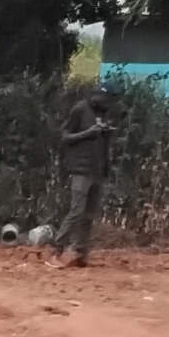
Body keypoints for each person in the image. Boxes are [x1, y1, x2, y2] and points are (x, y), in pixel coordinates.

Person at [52, 91, 113, 267]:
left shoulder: (103, 112)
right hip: (81, 169)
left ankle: (80, 252)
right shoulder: (79, 109)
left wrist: (106, 133)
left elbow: (103, 143)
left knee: (89, 215)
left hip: (98, 169)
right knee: (76, 211)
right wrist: (87, 133)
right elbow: (65, 136)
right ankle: (58, 248)